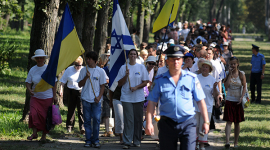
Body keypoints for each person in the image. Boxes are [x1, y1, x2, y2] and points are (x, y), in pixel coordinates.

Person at [145, 46, 210, 150]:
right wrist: (148, 122)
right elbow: (152, 102)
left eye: (178, 59)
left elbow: (201, 101)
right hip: (167, 123)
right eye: (172, 59)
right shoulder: (159, 80)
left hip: (188, 123)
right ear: (167, 61)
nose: (176, 62)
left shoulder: (191, 78)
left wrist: (206, 121)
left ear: (182, 61)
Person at [115, 49, 149, 149]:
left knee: (138, 120)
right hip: (126, 97)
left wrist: (136, 87)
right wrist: (126, 75)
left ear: (137, 56)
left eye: (134, 54)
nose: (133, 56)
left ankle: (137, 140)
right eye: (131, 54)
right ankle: (127, 141)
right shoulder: (123, 67)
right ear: (128, 56)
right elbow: (119, 84)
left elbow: (146, 81)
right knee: (129, 120)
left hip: (139, 98)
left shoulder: (141, 67)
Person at [25, 49, 57, 141]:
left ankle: (44, 136)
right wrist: (29, 89)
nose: (39, 59)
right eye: (37, 58)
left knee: (45, 117)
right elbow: (28, 82)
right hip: (35, 97)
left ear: (44, 58)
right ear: (35, 59)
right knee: (33, 114)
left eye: (41, 58)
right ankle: (34, 134)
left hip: (47, 97)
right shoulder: (33, 69)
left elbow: (54, 83)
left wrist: (55, 96)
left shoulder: (49, 69)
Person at [78, 51, 107, 148]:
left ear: (95, 60)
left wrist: (99, 97)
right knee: (86, 120)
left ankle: (96, 140)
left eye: (90, 58)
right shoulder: (83, 70)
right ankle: (88, 140)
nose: (88, 60)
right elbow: (79, 84)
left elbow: (102, 86)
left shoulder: (101, 71)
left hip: (96, 100)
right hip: (86, 98)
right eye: (87, 58)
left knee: (96, 119)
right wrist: (86, 77)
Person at [195, 60, 219, 150]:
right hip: (195, 106)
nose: (204, 68)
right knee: (195, 126)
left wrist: (214, 88)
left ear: (209, 69)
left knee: (203, 125)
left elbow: (215, 94)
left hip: (207, 106)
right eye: (203, 67)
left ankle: (202, 145)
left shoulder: (212, 79)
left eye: (206, 67)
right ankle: (195, 144)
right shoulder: (196, 77)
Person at [223, 57, 246, 148]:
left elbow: (244, 86)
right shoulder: (227, 73)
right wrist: (230, 75)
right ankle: (227, 141)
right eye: (231, 64)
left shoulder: (241, 74)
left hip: (238, 101)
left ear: (237, 64)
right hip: (229, 99)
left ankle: (235, 142)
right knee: (228, 122)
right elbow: (226, 86)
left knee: (237, 122)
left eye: (234, 63)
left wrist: (242, 97)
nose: (232, 65)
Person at [60, 56, 84, 134]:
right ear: (74, 63)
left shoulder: (84, 70)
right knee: (71, 109)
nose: (78, 67)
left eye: (79, 65)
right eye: (76, 65)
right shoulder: (69, 69)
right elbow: (63, 81)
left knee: (81, 110)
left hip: (81, 91)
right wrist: (61, 90)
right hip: (71, 91)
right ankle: (69, 126)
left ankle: (82, 127)